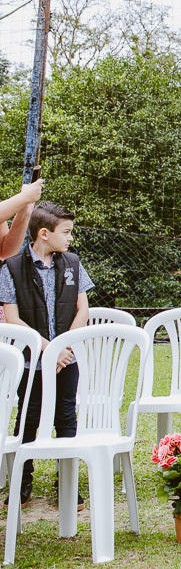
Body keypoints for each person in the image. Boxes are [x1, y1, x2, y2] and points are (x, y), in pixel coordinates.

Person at [0, 202, 94, 508]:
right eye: (65, 232)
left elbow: (83, 309)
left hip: (67, 359)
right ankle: (21, 482)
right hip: (32, 360)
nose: (70, 238)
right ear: (44, 233)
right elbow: (12, 319)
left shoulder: (73, 263)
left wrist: (63, 348)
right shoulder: (12, 268)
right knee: (27, 418)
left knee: (66, 417)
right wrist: (48, 349)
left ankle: (66, 482)